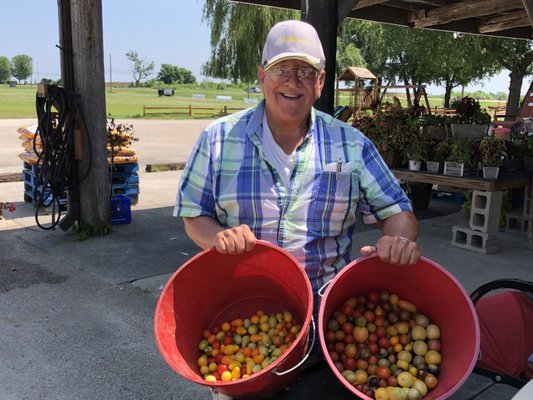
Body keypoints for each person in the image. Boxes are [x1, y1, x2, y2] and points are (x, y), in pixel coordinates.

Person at [174, 19, 420, 398]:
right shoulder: (218, 139)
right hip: (247, 314)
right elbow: (194, 213)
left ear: (320, 82)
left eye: (305, 72)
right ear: (262, 76)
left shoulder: (350, 145)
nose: (293, 82)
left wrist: (397, 239)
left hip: (328, 322)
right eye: (282, 70)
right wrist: (216, 236)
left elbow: (398, 212)